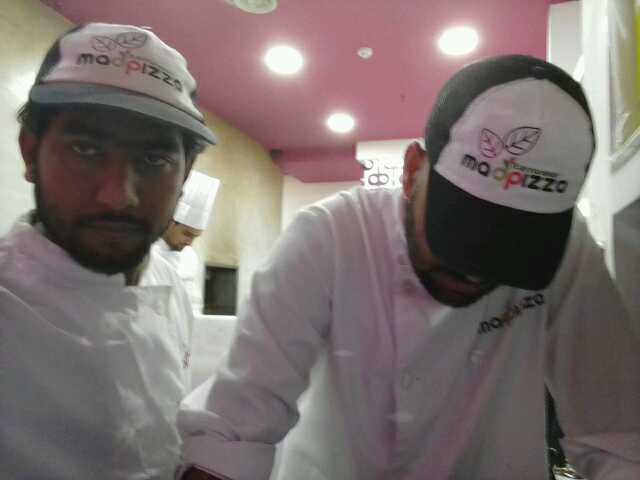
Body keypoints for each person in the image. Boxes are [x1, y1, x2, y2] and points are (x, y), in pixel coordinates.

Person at [178, 55, 640, 480]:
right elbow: (236, 420)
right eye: (462, 231)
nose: (476, 273)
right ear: (413, 170)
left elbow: (616, 435)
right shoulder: (332, 236)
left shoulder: (569, 253)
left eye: (511, 251)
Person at [0, 23, 217, 479]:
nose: (118, 196)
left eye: (154, 160)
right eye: (86, 149)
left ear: (185, 173)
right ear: (30, 153)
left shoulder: (168, 285)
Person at [154, 171, 220, 314]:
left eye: (195, 237)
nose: (190, 243)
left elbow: (193, 307)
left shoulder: (190, 258)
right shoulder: (146, 253)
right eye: (187, 234)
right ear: (171, 222)